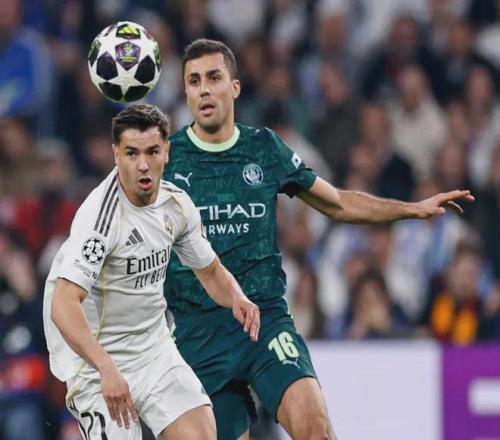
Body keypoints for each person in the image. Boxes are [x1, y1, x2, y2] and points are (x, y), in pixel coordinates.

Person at [163, 38, 474, 440]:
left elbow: (338, 203)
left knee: (316, 430)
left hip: (265, 323)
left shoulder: (264, 148)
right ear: (186, 92)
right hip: (199, 332)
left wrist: (413, 208)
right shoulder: (167, 159)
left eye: (213, 78)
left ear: (235, 87)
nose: (204, 89)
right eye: (194, 81)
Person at [42, 104, 260, 440]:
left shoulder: (176, 205)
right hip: (97, 363)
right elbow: (63, 305)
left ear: (166, 151)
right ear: (116, 154)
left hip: (154, 350)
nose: (143, 164)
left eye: (152, 152)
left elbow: (210, 270)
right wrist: (106, 368)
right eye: (132, 153)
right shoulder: (99, 219)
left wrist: (237, 298)